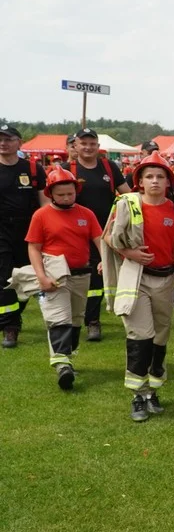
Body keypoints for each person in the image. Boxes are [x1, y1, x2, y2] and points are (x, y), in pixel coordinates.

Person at [106, 153, 174, 422]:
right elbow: (107, 237)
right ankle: (138, 395)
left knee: (160, 338)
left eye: (160, 176)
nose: (154, 181)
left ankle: (154, 390)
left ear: (168, 181)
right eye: (149, 176)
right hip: (136, 277)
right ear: (139, 181)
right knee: (141, 335)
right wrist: (129, 253)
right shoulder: (126, 204)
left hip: (165, 281)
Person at [25, 168, 102, 389]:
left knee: (76, 318)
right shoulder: (41, 216)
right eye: (61, 195)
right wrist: (41, 276)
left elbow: (99, 240)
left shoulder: (86, 214)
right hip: (54, 272)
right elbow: (34, 248)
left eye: (70, 193)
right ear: (51, 194)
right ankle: (61, 365)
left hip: (81, 273)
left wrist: (104, 261)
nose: (66, 198)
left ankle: (67, 357)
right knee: (59, 317)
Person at [67, 127, 130, 344]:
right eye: (83, 143)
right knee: (88, 276)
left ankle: (103, 316)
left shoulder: (109, 167)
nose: (88, 147)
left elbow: (127, 193)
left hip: (108, 231)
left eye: (92, 143)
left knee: (108, 274)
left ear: (98, 146)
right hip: (79, 232)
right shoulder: (69, 169)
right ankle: (89, 321)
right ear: (75, 145)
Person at [0, 124, 46, 348]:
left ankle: (13, 313)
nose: (3, 143)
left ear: (19, 142)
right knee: (4, 278)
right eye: (0, 139)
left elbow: (45, 203)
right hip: (1, 231)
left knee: (28, 279)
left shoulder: (34, 169)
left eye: (8, 139)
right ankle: (10, 327)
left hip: (28, 231)